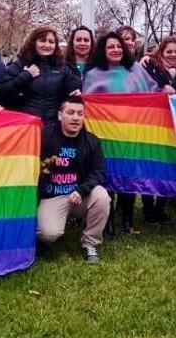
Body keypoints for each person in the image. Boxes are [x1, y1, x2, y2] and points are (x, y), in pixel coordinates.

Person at [83, 31, 160, 235]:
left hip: (131, 133)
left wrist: (165, 93)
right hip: (105, 135)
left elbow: (152, 91)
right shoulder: (93, 74)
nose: (116, 50)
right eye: (111, 47)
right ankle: (107, 221)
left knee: (129, 173)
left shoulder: (136, 70)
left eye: (118, 46)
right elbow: (87, 102)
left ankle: (127, 219)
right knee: (107, 174)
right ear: (103, 50)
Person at [36, 96, 111, 263]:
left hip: (79, 196)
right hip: (52, 197)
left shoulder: (92, 141)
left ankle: (90, 243)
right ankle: (44, 237)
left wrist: (81, 190)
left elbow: (99, 173)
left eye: (80, 113)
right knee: (48, 234)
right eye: (70, 113)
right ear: (60, 115)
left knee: (102, 196)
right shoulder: (44, 136)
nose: (76, 118)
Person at [139, 35, 176, 225]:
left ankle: (161, 208)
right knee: (150, 166)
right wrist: (161, 91)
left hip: (172, 126)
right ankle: (148, 208)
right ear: (161, 52)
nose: (173, 55)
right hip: (151, 124)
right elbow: (143, 90)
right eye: (169, 51)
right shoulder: (150, 67)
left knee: (168, 167)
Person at [0, 27, 82, 126]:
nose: (47, 45)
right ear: (34, 43)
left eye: (51, 42)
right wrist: (26, 75)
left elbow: (73, 89)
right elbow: (2, 90)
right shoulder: (20, 65)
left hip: (53, 127)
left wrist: (75, 92)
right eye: (42, 41)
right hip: (26, 126)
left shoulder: (62, 67)